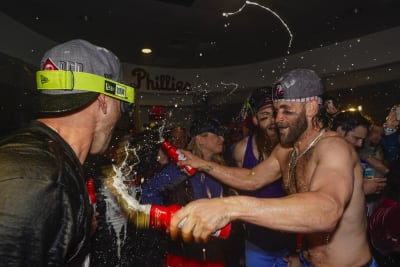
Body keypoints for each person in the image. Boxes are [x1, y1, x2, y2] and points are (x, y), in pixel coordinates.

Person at [169, 68, 376, 267]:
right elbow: (251, 178)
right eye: (277, 111)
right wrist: (202, 164)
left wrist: (230, 207)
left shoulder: (334, 148)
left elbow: (328, 210)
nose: (278, 119)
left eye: (287, 111)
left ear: (312, 108)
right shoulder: (286, 150)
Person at [0, 39, 134, 265]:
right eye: (121, 106)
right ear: (104, 100)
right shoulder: (39, 180)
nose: (119, 118)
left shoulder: (47, 163)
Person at [140, 117, 231, 267]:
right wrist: (168, 219)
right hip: (185, 255)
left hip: (214, 251)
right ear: (200, 139)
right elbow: (148, 192)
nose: (222, 138)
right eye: (216, 134)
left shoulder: (219, 167)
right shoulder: (182, 165)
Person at [232, 87, 296, 266]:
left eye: (275, 114)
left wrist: (300, 251)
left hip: (290, 243)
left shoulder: (294, 147)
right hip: (257, 243)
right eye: (264, 116)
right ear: (255, 120)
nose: (272, 122)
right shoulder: (242, 150)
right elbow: (241, 191)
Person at [331, 111, 387, 210]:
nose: (360, 144)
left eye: (362, 140)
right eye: (356, 138)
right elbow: (330, 194)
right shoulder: (329, 154)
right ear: (340, 130)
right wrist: (362, 189)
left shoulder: (347, 153)